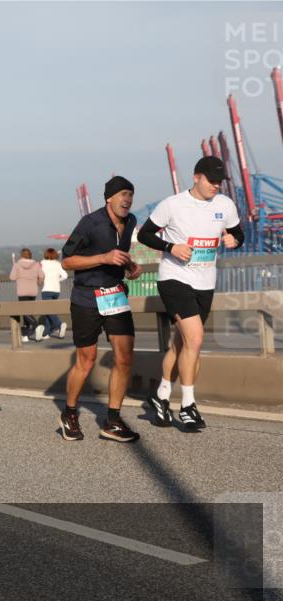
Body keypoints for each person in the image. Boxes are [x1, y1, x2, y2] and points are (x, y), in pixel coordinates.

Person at [137, 156, 244, 430]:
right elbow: (145, 235)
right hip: (175, 278)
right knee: (195, 339)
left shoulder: (225, 205)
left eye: (220, 182)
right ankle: (188, 405)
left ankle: (161, 396)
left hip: (205, 282)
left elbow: (237, 233)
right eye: (211, 180)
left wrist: (235, 240)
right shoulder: (172, 205)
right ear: (196, 177)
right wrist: (171, 247)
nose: (216, 186)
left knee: (183, 344)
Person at [60, 176, 143, 442]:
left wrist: (130, 267)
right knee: (86, 359)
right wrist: (103, 258)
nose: (127, 199)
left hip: (115, 295)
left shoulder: (130, 222)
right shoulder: (90, 223)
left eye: (130, 194)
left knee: (125, 357)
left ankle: (113, 421)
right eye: (122, 194)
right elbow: (67, 261)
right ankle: (69, 413)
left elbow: (119, 255)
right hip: (86, 298)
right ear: (109, 198)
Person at [10, 248, 44, 342]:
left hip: (22, 291)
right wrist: (38, 282)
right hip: (33, 291)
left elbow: (12, 277)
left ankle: (36, 326)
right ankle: (25, 335)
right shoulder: (36, 264)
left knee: (25, 312)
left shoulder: (17, 265)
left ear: (21, 255)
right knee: (28, 312)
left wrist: (18, 275)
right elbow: (42, 276)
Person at [37, 248, 68, 340]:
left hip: (46, 289)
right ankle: (46, 333)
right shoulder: (58, 264)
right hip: (56, 290)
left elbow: (39, 274)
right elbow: (65, 276)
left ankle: (59, 324)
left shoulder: (42, 263)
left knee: (48, 310)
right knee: (49, 311)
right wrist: (57, 280)